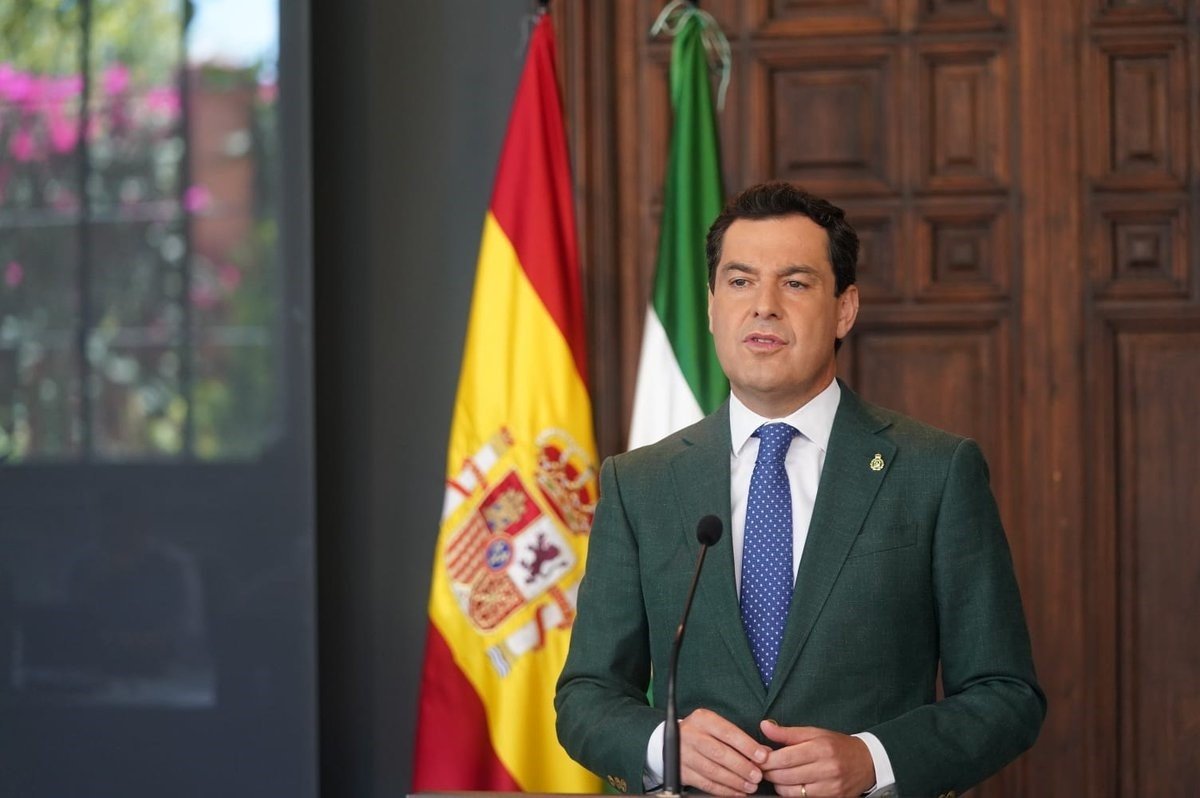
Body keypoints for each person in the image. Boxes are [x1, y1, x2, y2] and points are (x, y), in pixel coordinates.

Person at [555, 183, 1045, 798]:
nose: (764, 306)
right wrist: (663, 745)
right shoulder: (640, 484)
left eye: (795, 283)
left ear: (844, 309)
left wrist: (874, 760)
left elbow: (1006, 694)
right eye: (740, 281)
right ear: (711, 306)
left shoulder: (935, 472)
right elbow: (587, 695)